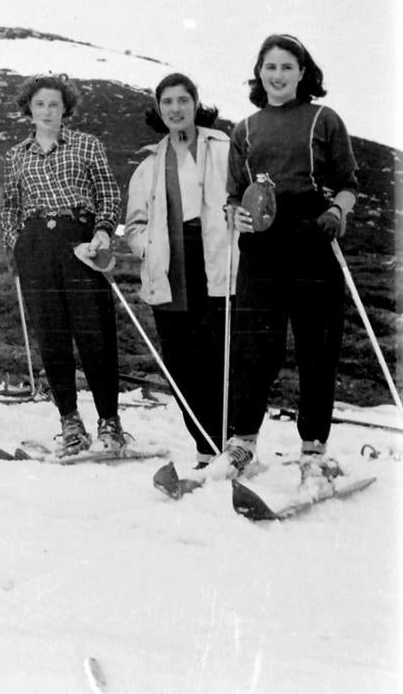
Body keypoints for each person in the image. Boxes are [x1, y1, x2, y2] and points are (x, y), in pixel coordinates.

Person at [213, 34, 357, 476]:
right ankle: (241, 443)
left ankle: (314, 448)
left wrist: (337, 211)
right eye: (270, 67)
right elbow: (234, 194)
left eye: (286, 67)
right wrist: (234, 215)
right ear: (259, 73)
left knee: (317, 344)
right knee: (255, 346)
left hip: (313, 235)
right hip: (261, 242)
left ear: (302, 73)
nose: (277, 75)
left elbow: (349, 183)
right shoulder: (245, 128)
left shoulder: (323, 119)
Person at [0, 73, 122, 456]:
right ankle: (69, 420)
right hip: (36, 245)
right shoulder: (18, 155)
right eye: (39, 104)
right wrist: (15, 243)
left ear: (65, 108)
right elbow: (12, 208)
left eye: (54, 104)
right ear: (29, 110)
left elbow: (108, 193)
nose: (47, 111)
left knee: (94, 332)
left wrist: (102, 232)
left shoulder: (87, 145)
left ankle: (110, 422)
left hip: (79, 241)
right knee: (50, 334)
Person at [124, 73, 237, 467]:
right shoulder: (149, 164)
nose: (175, 108)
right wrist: (148, 249)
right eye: (167, 102)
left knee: (219, 359)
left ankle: (232, 446)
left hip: (217, 263)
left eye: (182, 100)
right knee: (181, 365)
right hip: (169, 269)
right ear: (159, 109)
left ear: (195, 103)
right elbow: (135, 226)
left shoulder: (224, 147)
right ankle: (206, 450)